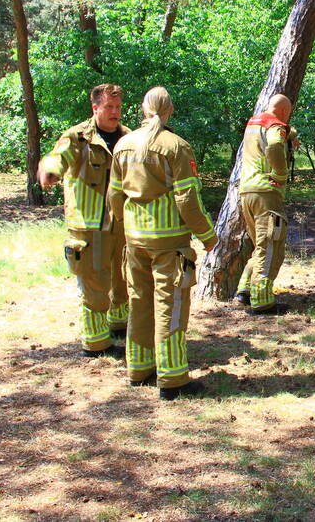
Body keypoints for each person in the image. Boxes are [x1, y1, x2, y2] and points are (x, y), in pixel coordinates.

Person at [108, 87, 217, 400]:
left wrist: (124, 224)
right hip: (169, 242)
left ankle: (139, 369)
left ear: (144, 110)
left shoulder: (123, 145)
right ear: (170, 110)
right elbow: (187, 199)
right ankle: (172, 380)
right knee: (170, 305)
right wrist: (208, 236)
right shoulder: (177, 147)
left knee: (138, 302)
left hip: (134, 240)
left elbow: (115, 194)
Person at [38, 83, 130, 358]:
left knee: (122, 279)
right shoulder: (79, 137)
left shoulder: (128, 137)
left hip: (121, 223)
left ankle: (119, 324)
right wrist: (50, 172)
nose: (115, 113)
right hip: (89, 226)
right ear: (95, 108)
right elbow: (57, 158)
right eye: (109, 107)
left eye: (118, 108)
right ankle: (96, 342)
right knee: (94, 284)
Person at [234, 94, 300, 314]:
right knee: (271, 246)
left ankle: (244, 291)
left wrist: (292, 134)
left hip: (247, 193)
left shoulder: (253, 124)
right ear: (283, 111)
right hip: (266, 193)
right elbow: (273, 147)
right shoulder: (274, 125)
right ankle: (262, 301)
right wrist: (280, 174)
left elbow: (281, 132)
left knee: (260, 246)